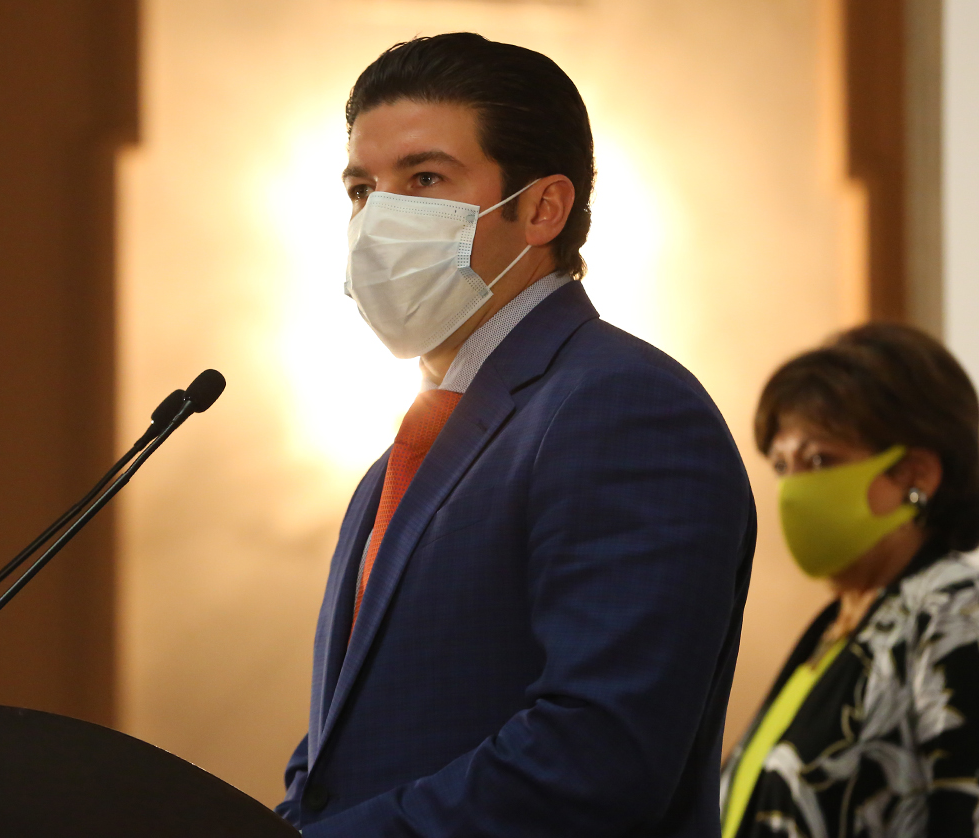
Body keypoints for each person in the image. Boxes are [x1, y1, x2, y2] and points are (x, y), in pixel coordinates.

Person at [275, 33, 756, 837]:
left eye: (424, 179)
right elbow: (339, 759)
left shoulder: (621, 408)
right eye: (362, 189)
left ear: (542, 209)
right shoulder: (403, 458)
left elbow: (595, 757)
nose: (378, 220)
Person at [721, 323, 979, 838]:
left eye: (819, 460)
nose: (793, 490)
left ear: (916, 474)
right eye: (781, 464)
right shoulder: (829, 637)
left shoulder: (964, 614)